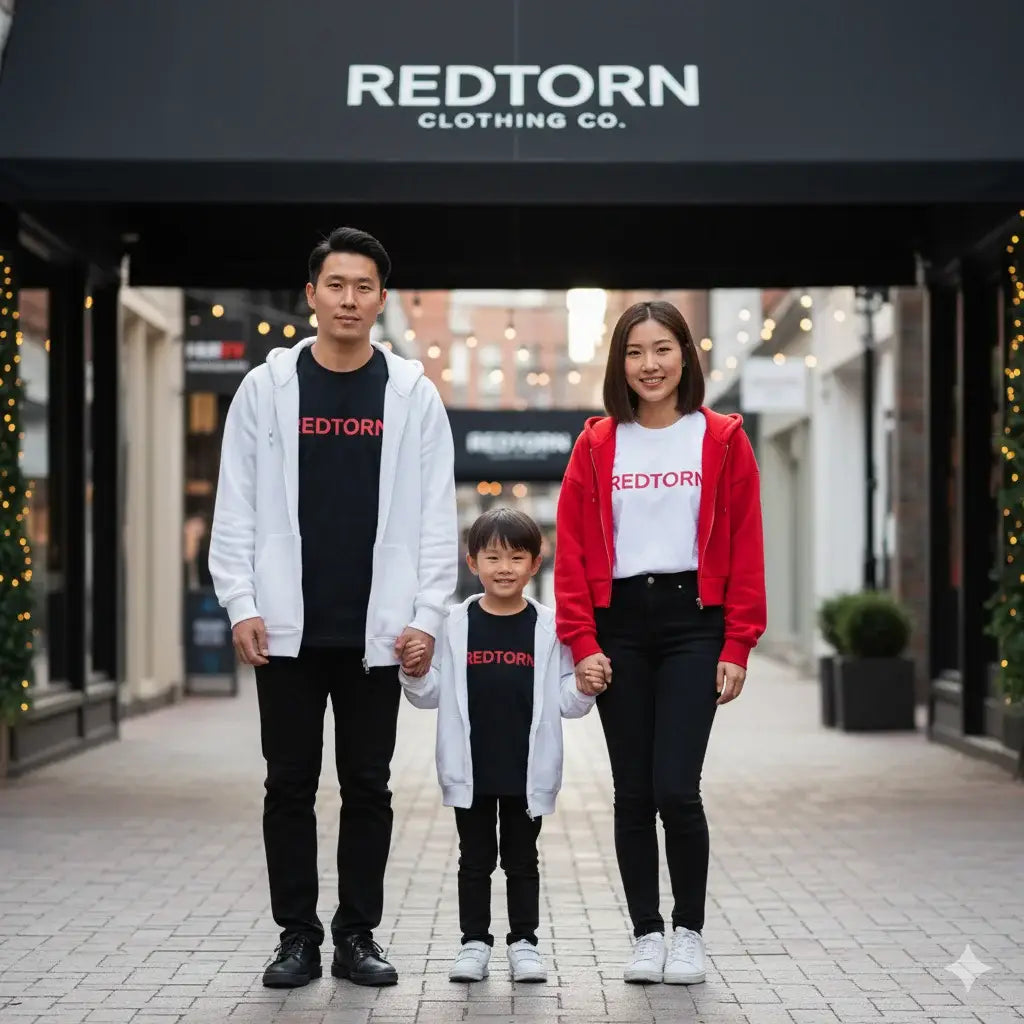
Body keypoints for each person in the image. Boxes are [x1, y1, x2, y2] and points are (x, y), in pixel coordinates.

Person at [208, 227, 458, 989]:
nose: (349, 299)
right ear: (311, 293)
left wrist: (426, 617)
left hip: (376, 632)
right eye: (336, 285)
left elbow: (436, 518)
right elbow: (237, 506)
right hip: (285, 629)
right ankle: (296, 937)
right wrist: (240, 601)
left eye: (364, 287)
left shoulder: (412, 395)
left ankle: (356, 935)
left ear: (382, 299)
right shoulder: (267, 389)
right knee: (287, 785)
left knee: (368, 786)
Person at [553, 300, 766, 986]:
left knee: (677, 786)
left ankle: (689, 933)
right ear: (620, 364)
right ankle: (646, 933)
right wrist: (581, 640)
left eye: (663, 349)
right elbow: (572, 551)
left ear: (686, 356)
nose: (649, 364)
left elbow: (746, 547)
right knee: (632, 792)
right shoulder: (596, 445)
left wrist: (738, 644)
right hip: (620, 624)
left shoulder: (723, 440)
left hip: (693, 623)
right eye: (636, 352)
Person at [398, 508, 595, 984]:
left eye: (516, 557)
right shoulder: (452, 623)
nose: (503, 567)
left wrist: (588, 684)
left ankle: (524, 943)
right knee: (475, 859)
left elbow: (568, 703)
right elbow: (429, 696)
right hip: (473, 767)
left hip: (526, 769)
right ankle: (474, 943)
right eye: (492, 557)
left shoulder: (553, 626)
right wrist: (414, 670)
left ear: (535, 563)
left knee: (523, 861)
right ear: (472, 563)